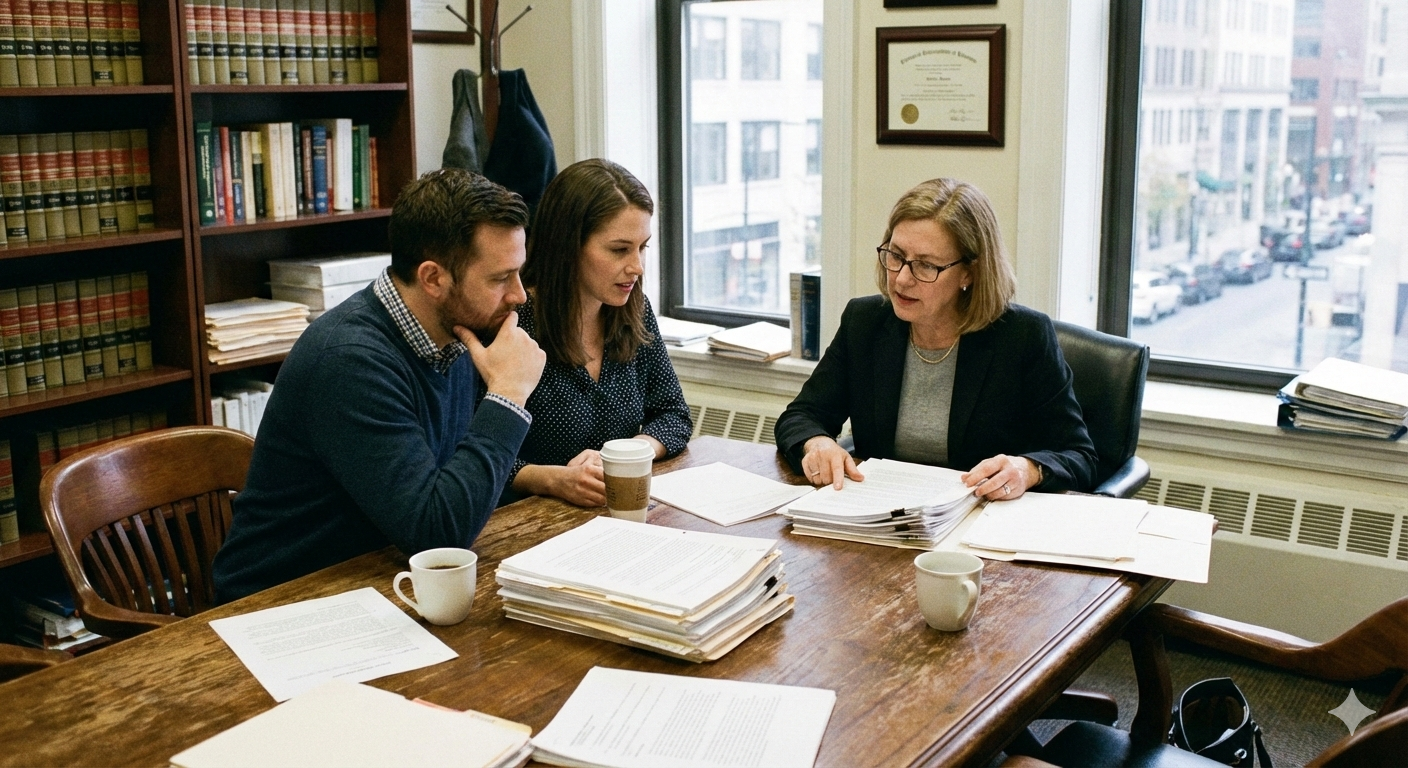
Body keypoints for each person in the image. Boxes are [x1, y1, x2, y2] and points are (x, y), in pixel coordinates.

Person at [213, 170, 546, 602]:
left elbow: (450, 480)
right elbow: (437, 536)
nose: (519, 295)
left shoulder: (455, 332)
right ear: (433, 278)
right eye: (500, 278)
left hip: (373, 581)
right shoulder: (350, 360)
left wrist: (545, 478)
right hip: (280, 602)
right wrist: (507, 397)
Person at [774, 178, 1098, 499]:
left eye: (926, 266)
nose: (901, 279)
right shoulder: (865, 322)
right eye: (896, 255)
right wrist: (817, 443)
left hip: (979, 513)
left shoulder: (1023, 336)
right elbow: (802, 415)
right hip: (879, 508)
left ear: (969, 272)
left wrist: (1027, 469)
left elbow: (1079, 456)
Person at [499, 159, 692, 507]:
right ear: (568, 246)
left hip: (611, 514)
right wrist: (553, 479)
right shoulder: (513, 322)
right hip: (531, 518)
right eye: (619, 250)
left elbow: (674, 415)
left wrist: (629, 451)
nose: (637, 267)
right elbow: (476, 456)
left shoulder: (635, 310)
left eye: (643, 247)